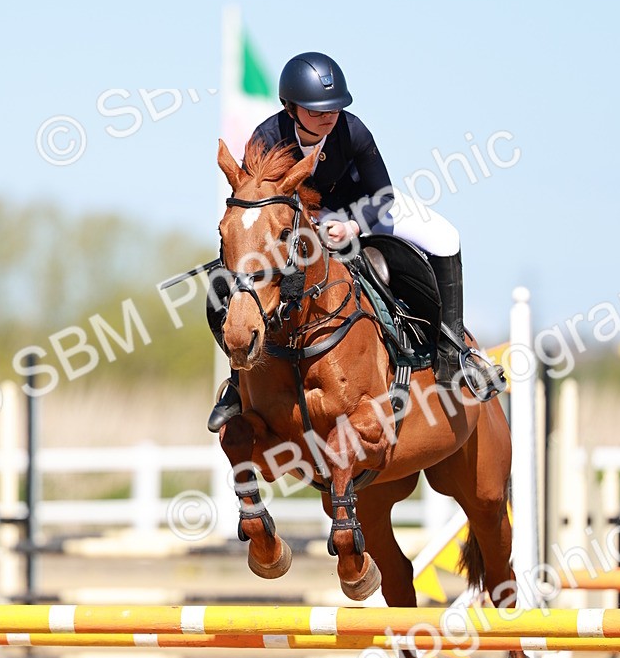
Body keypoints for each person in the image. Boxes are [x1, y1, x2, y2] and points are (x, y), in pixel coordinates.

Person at [208, 51, 502, 432]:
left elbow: (383, 195)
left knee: (446, 237)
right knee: (225, 285)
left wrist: (353, 226)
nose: (328, 116)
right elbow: (257, 206)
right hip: (298, 223)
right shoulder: (266, 138)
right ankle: (237, 384)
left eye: (333, 108)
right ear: (290, 108)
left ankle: (454, 354)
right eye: (316, 110)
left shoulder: (354, 131)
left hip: (363, 210)